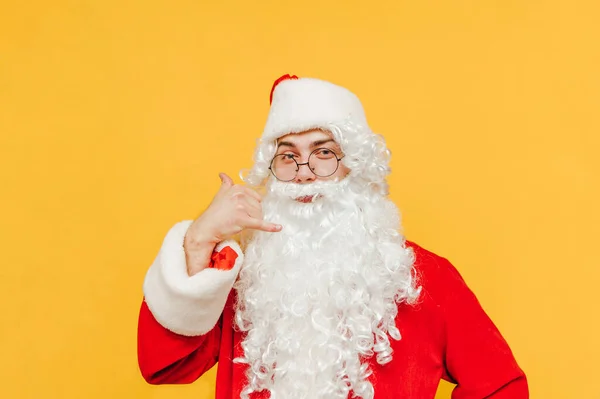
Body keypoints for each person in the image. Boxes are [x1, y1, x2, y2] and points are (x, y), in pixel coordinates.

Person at [137, 74, 528, 399]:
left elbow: (502, 386)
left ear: (354, 167)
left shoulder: (423, 277)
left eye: (323, 153)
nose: (304, 172)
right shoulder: (244, 279)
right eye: (288, 156)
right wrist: (199, 239)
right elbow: (165, 365)